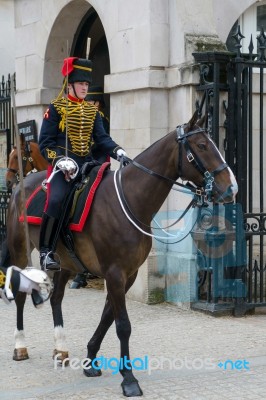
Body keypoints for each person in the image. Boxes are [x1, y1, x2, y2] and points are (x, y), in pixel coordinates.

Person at [38, 57, 127, 271]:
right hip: (63, 166)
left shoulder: (92, 111)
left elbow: (103, 140)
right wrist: (60, 160)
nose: (85, 88)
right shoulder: (56, 108)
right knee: (57, 199)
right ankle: (46, 251)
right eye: (81, 84)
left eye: (87, 84)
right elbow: (45, 143)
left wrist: (119, 151)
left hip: (86, 164)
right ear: (70, 85)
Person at [85, 85, 110, 163]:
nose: (86, 104)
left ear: (97, 103)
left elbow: (100, 138)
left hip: (98, 155)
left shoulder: (101, 118)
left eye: (89, 101)